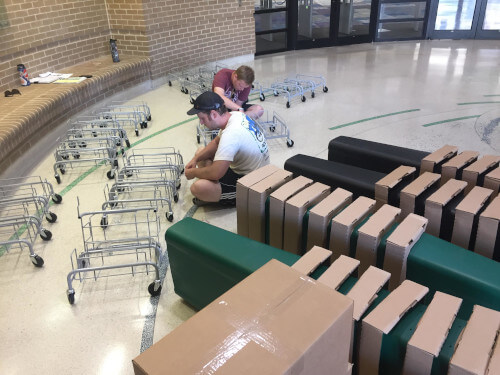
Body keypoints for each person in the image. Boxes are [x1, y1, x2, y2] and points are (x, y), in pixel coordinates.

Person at [185, 91, 270, 205]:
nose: (201, 123)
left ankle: (226, 197)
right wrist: (195, 160)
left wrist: (194, 173)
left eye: (202, 118)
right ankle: (213, 186)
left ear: (214, 114)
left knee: (198, 188)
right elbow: (216, 142)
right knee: (200, 153)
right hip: (248, 167)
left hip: (252, 182)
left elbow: (216, 173)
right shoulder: (235, 115)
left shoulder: (231, 134)